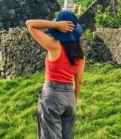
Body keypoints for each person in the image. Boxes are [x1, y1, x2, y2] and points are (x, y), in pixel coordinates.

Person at [26, 10, 86, 139]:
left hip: (52, 95)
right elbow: (79, 81)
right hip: (69, 97)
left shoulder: (54, 45)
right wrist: (74, 99)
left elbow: (30, 24)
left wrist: (56, 25)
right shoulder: (80, 53)